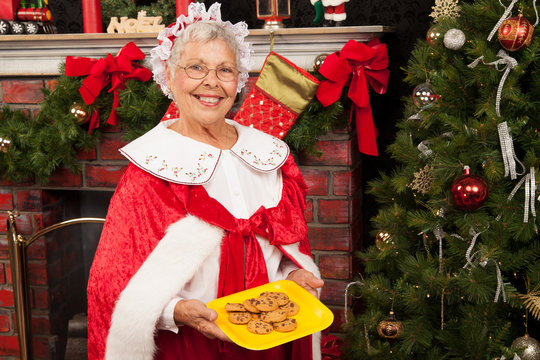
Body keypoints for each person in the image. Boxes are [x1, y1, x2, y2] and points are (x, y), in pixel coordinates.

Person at [87, 3, 325, 360]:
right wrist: (176, 311)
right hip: (188, 345)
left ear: (238, 81)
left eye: (225, 70)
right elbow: (113, 282)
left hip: (271, 339)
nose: (211, 82)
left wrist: (294, 275)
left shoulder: (270, 155)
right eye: (196, 67)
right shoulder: (148, 170)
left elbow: (285, 244)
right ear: (169, 75)